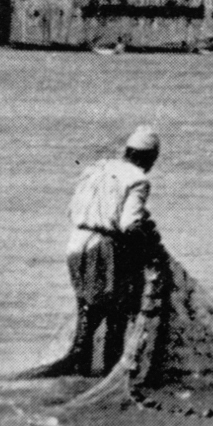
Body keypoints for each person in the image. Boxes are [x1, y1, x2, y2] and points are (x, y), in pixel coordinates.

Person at [38, 126, 162, 377]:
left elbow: (74, 210)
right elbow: (129, 225)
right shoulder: (138, 179)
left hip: (75, 245)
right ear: (148, 158)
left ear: (128, 151)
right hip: (101, 248)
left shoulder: (96, 169)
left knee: (88, 312)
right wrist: (150, 251)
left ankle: (81, 372)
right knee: (115, 318)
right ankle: (103, 374)